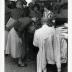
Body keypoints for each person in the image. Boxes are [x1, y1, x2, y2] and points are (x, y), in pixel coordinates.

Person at [5, 0, 36, 67]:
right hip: (15, 32)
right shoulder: (27, 19)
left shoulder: (23, 18)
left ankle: (19, 60)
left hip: (13, 31)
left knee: (19, 47)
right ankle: (20, 62)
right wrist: (20, 37)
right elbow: (20, 29)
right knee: (19, 46)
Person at [33, 8, 62, 72]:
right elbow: (56, 43)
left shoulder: (37, 31)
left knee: (39, 53)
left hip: (42, 53)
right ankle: (58, 68)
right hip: (53, 53)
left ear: (41, 22)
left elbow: (35, 44)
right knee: (56, 48)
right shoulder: (53, 30)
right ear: (48, 22)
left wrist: (42, 45)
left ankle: (42, 69)